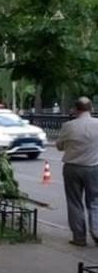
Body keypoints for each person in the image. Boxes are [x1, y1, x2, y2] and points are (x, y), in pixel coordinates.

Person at [56, 97, 98, 247]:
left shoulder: (68, 126)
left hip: (72, 168)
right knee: (94, 202)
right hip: (93, 167)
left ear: (76, 109)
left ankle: (79, 237)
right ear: (91, 109)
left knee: (74, 202)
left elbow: (59, 146)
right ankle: (97, 232)